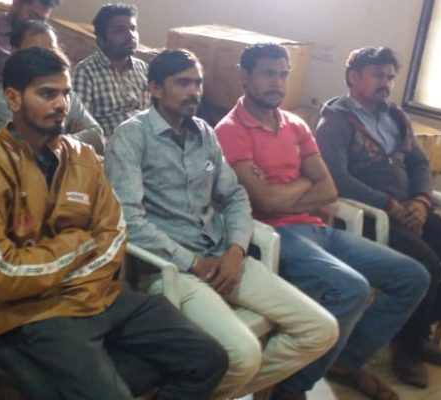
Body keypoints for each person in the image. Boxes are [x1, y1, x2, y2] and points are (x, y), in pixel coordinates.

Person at [0, 46, 228, 400]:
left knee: (208, 359)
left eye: (66, 93)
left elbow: (114, 236)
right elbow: (2, 276)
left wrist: (65, 270)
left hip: (101, 296)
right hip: (34, 313)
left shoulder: (83, 157)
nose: (61, 104)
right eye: (47, 94)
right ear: (13, 98)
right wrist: (78, 243)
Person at [105, 49, 338, 400]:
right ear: (154, 88)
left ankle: (211, 393)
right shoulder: (132, 137)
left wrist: (236, 249)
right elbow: (129, 220)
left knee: (320, 329)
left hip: (223, 256)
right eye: (183, 83)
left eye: (197, 83)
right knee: (243, 354)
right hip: (170, 269)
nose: (194, 92)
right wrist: (193, 262)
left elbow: (234, 196)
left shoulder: (204, 133)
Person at [215, 43, 429, 400]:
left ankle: (345, 361)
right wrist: (304, 181)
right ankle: (292, 388)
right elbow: (265, 202)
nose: (277, 82)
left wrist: (288, 188)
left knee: (412, 276)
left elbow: (328, 189)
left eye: (283, 74)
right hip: (272, 234)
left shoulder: (296, 125)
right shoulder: (230, 129)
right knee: (352, 288)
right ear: (245, 77)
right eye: (268, 74)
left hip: (317, 227)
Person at [315, 46, 441, 388]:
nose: (386, 83)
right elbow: (336, 178)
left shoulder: (395, 116)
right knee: (426, 267)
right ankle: (409, 345)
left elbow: (418, 163)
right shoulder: (336, 121)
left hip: (409, 210)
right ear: (353, 77)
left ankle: (409, 327)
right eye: (378, 75)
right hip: (369, 216)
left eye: (390, 77)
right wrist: (388, 204)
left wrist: (421, 200)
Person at [0, 19, 105, 151]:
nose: (48, 59)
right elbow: (26, 154)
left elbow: (98, 138)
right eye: (37, 52)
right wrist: (73, 143)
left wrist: (62, 141)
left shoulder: (64, 94)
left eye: (52, 51)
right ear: (15, 53)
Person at [73, 3, 150, 136]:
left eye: (133, 28)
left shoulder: (144, 70)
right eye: (119, 30)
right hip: (110, 145)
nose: (130, 35)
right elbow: (81, 127)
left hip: (148, 142)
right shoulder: (85, 72)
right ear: (101, 40)